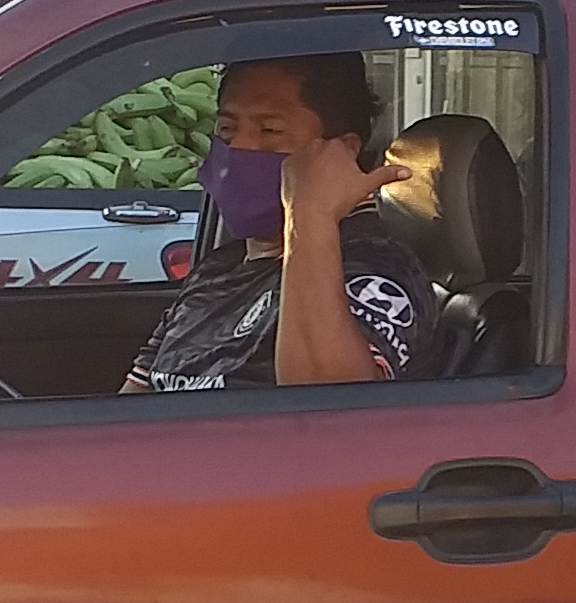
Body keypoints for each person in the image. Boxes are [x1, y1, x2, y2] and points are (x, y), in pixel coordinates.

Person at [122, 54, 436, 391]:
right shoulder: (218, 269)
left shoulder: (377, 269)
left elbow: (330, 405)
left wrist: (310, 213)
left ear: (342, 151)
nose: (238, 146)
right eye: (226, 129)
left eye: (269, 130)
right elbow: (133, 402)